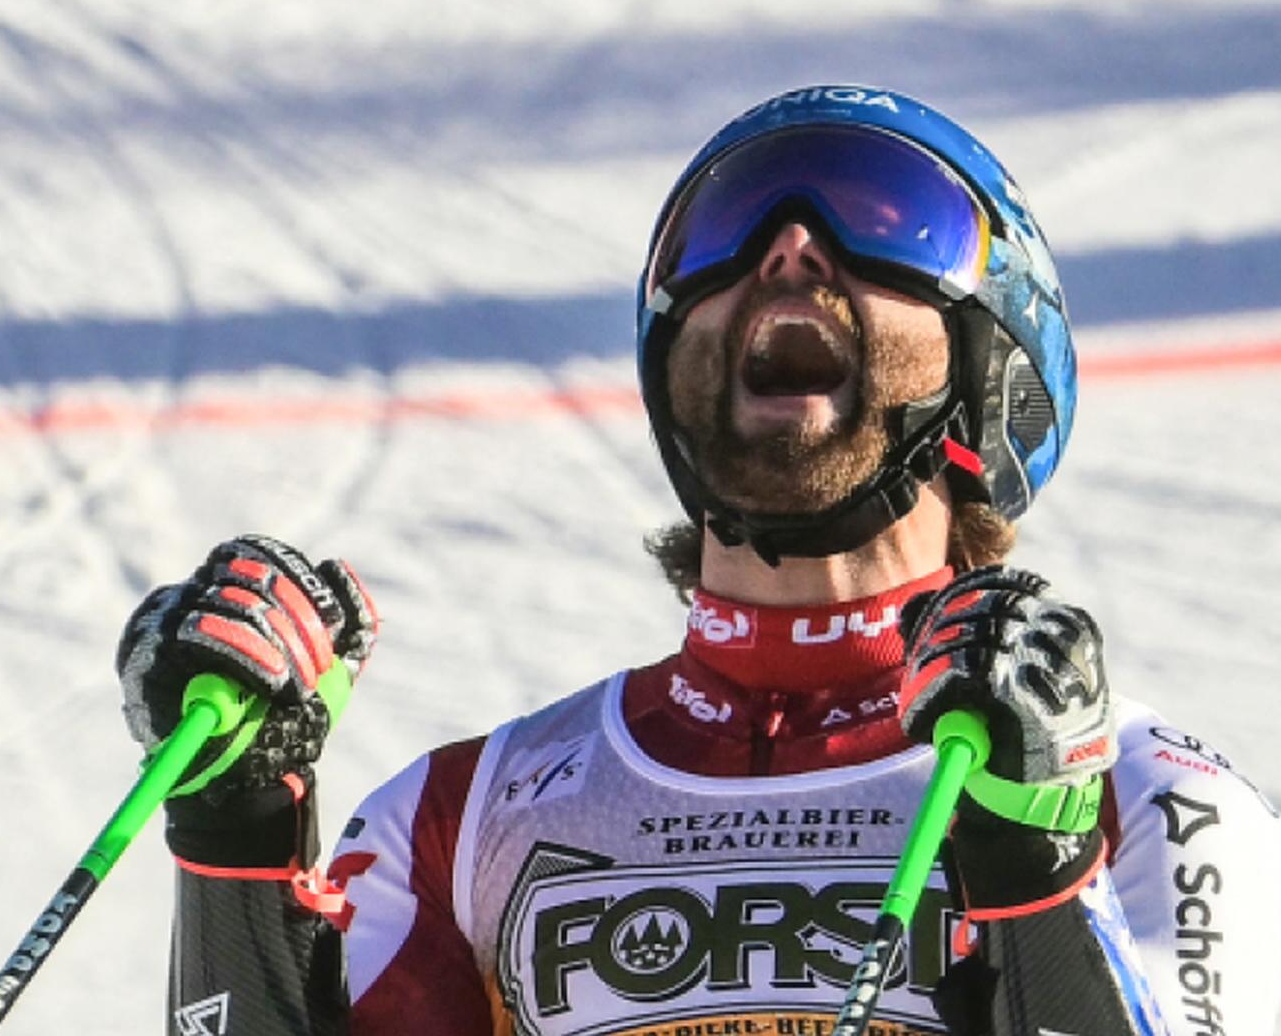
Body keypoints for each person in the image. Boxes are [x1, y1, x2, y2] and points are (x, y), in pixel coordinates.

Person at [115, 86, 1279, 1036]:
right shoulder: (457, 817)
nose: (786, 250)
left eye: (889, 220)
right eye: (719, 238)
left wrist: (1037, 861)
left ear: (999, 361)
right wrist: (237, 832)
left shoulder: (1145, 790)